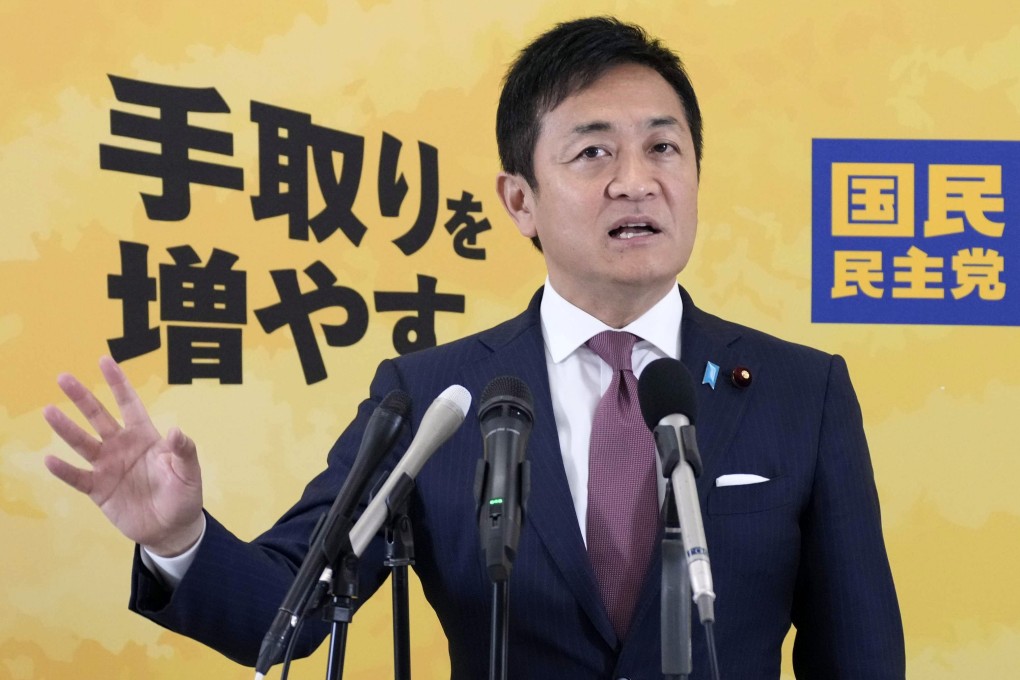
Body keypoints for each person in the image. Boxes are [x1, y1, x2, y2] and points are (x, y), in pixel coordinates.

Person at [42, 16, 905, 679]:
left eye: (663, 147)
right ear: (519, 200)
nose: (635, 180)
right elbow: (292, 613)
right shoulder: (438, 398)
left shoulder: (802, 392)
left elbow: (861, 658)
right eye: (593, 150)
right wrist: (179, 535)